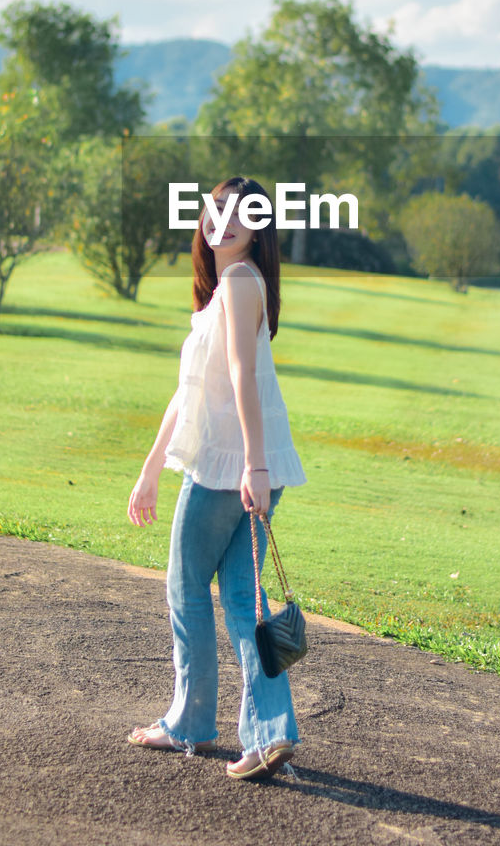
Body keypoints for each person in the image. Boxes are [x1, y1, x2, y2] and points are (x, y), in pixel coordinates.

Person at [127, 175, 306, 779]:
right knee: (239, 599)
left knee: (185, 589)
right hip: (250, 466)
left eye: (241, 213)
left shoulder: (238, 280)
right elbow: (189, 392)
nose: (223, 221)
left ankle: (190, 722)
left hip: (233, 467)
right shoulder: (227, 289)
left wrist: (253, 464)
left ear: (259, 229)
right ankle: (269, 735)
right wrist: (151, 469)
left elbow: (241, 373)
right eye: (215, 209)